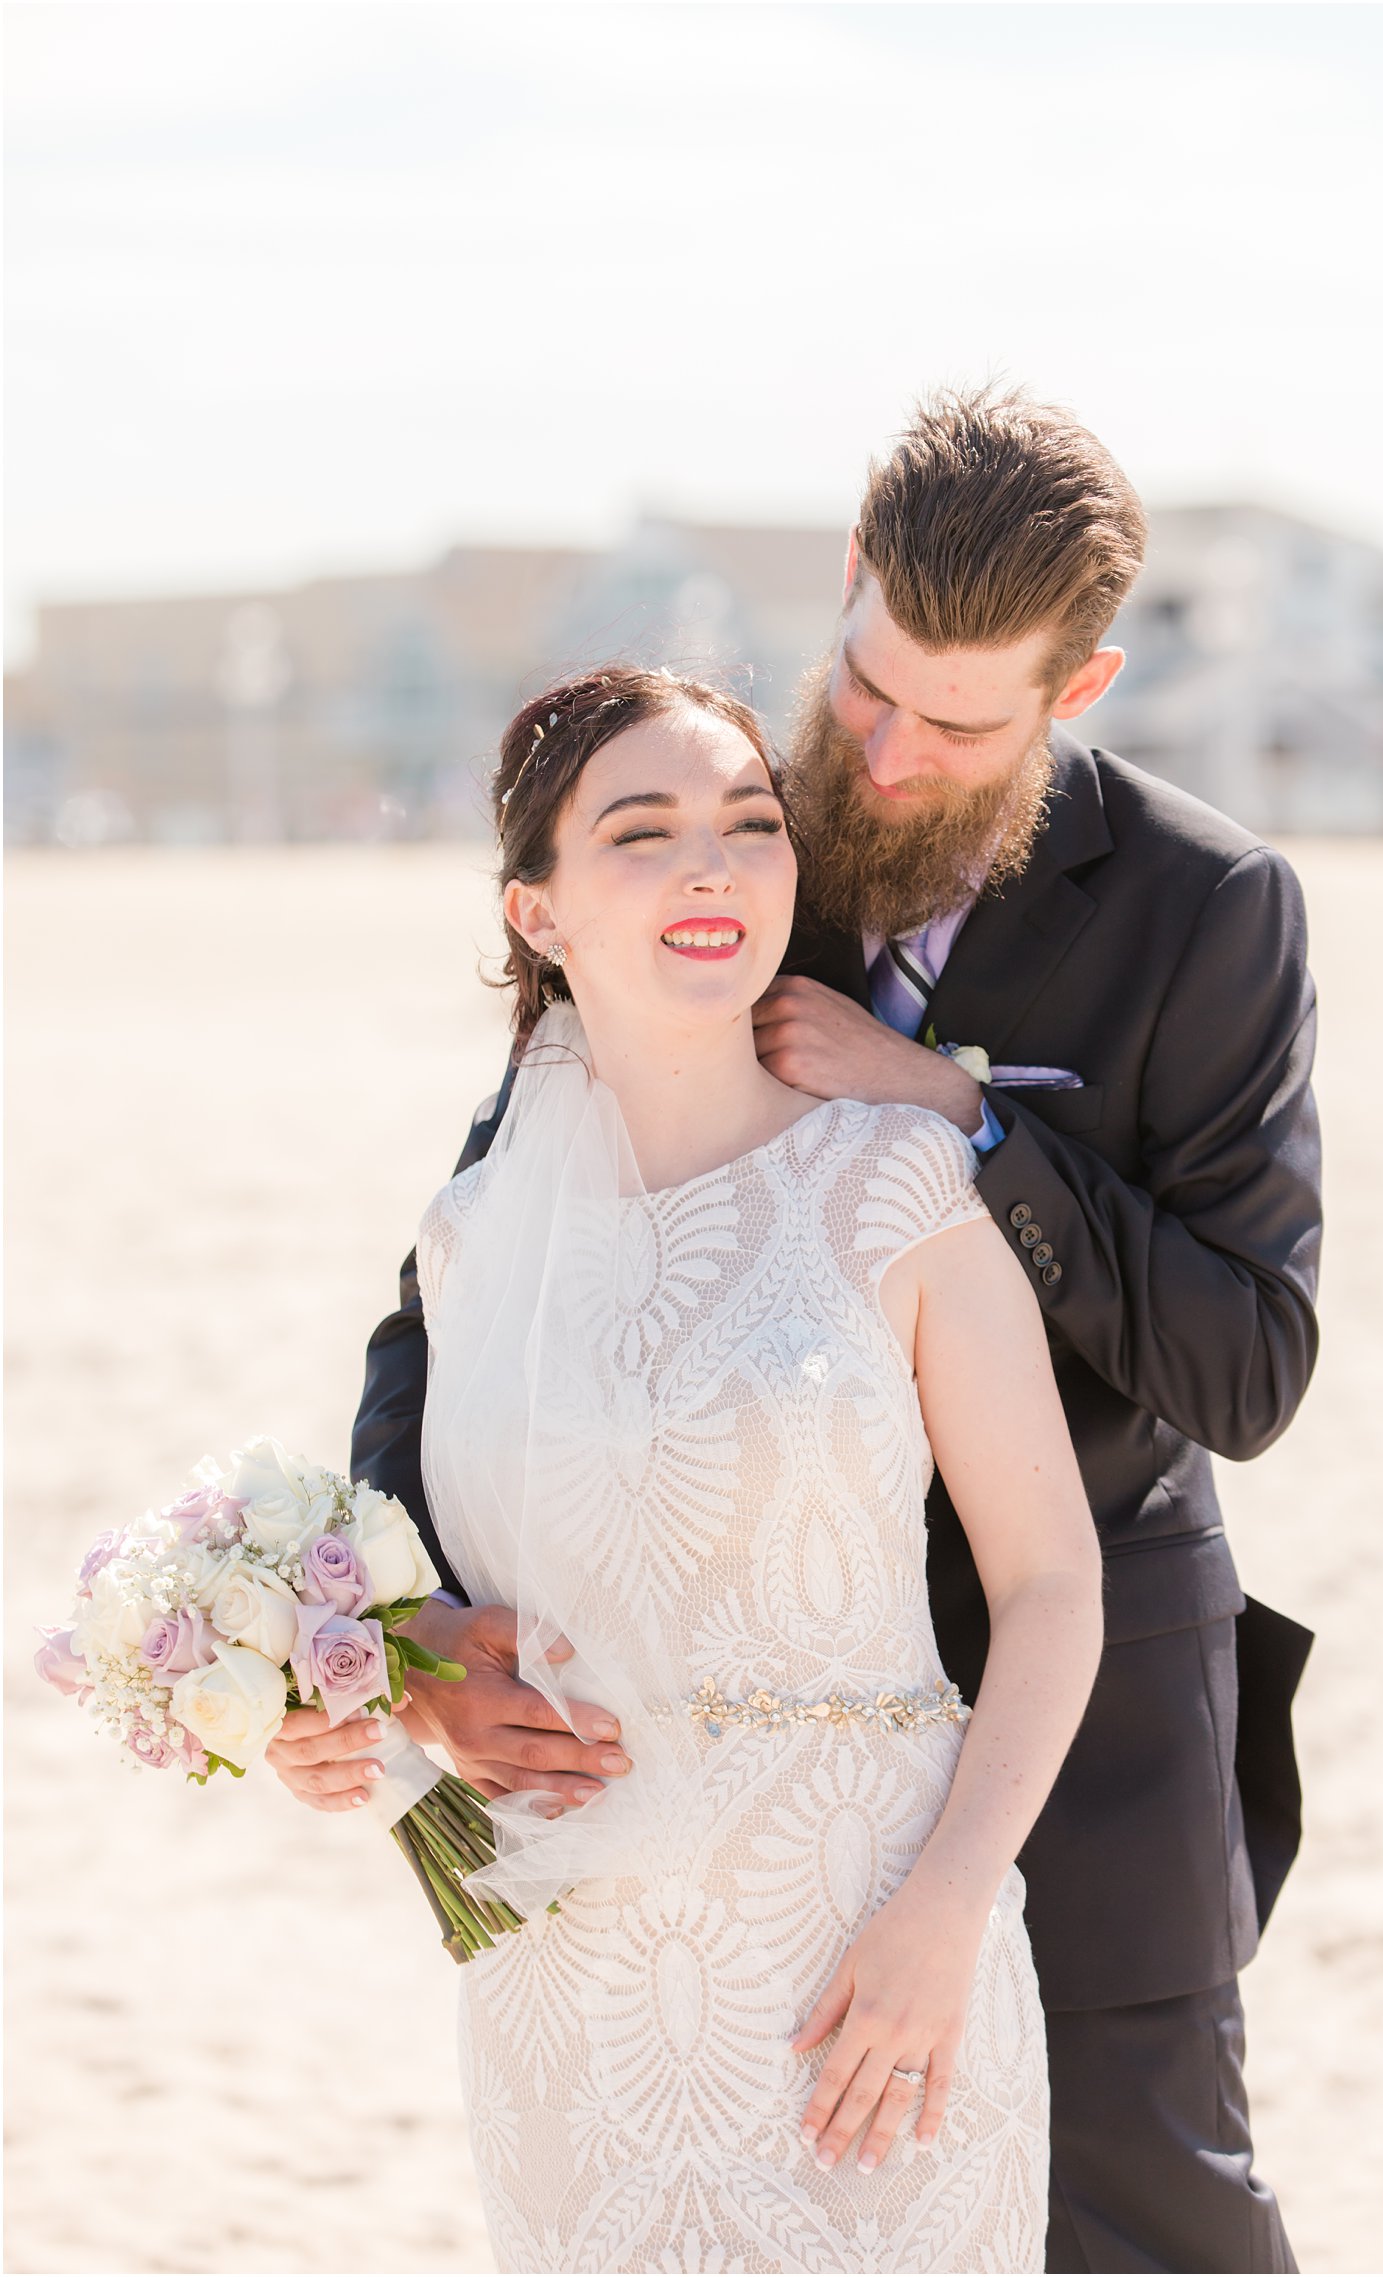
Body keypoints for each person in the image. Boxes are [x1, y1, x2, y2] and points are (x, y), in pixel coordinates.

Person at [300, 385, 1322, 2271]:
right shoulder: (718, 830)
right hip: (699, 1760)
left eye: (958, 721)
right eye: (867, 686)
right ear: (849, 578)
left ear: (1078, 691)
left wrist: (961, 1120)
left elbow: (1248, 1362)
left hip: (1077, 1703)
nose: (891, 749)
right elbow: (452, 1300)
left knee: (1153, 2218)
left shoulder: (1211, 911)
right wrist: (416, 1621)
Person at [274, 662, 1104, 2272]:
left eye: (747, 822)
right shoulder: (470, 1235)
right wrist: (372, 1693)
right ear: (539, 911)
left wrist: (950, 1908)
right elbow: (452, 1599)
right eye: (642, 833)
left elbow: (1054, 1583)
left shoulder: (896, 1183)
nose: (713, 864)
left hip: (874, 1988)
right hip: (572, 2005)